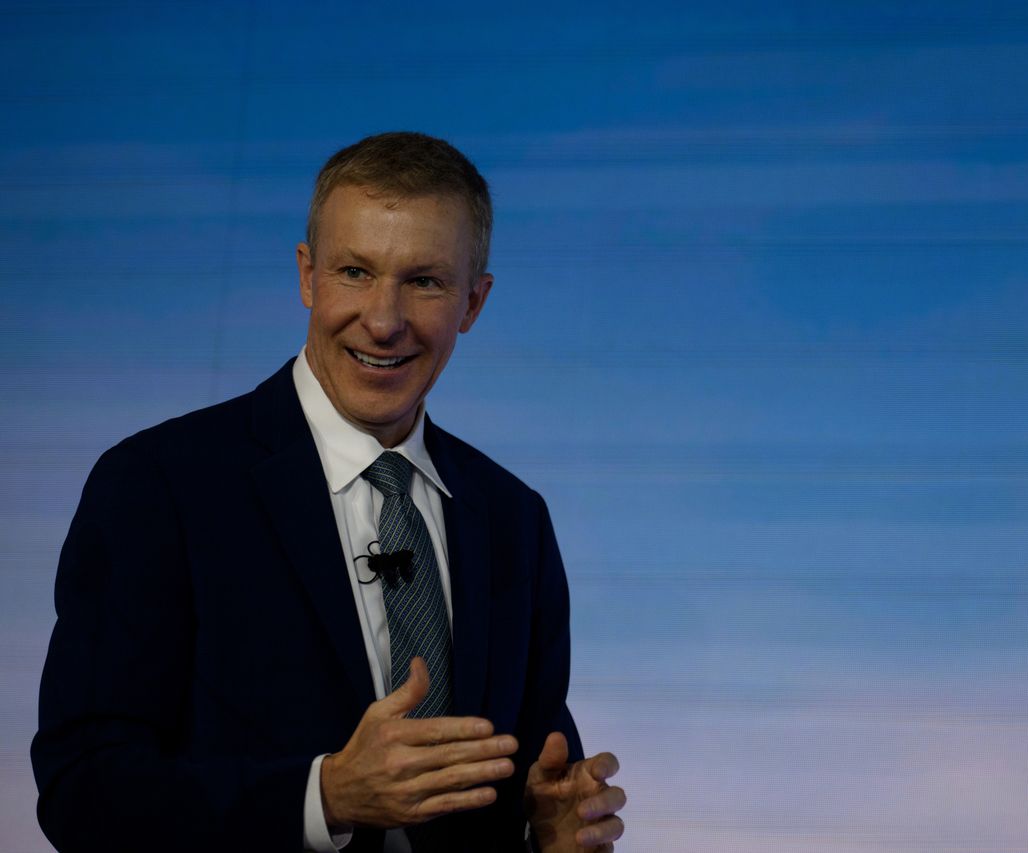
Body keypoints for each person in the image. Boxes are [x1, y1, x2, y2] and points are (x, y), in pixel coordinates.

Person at [31, 132, 626, 852]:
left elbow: (532, 776)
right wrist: (325, 798)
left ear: (474, 300)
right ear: (307, 276)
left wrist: (551, 831)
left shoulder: (512, 519)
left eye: (425, 281)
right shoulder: (159, 485)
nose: (383, 319)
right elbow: (83, 791)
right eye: (355, 271)